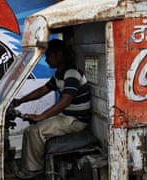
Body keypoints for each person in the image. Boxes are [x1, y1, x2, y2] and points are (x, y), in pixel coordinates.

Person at [13, 39, 91, 179]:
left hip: (75, 121)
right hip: (66, 117)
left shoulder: (72, 73)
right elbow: (43, 90)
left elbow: (66, 100)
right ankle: (27, 166)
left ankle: (34, 170)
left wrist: (41, 116)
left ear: (59, 55)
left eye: (49, 55)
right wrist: (20, 100)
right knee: (28, 130)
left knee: (36, 130)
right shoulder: (59, 74)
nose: (47, 59)